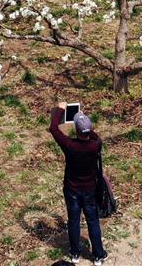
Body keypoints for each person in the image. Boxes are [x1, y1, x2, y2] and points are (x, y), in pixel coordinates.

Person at [49, 103, 108, 266]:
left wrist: (60, 109)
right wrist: (84, 121)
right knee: (93, 221)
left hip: (72, 190)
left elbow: (53, 128)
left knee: (73, 221)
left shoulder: (70, 146)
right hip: (90, 190)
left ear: (76, 130)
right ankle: (98, 256)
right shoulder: (96, 145)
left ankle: (75, 253)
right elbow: (95, 136)